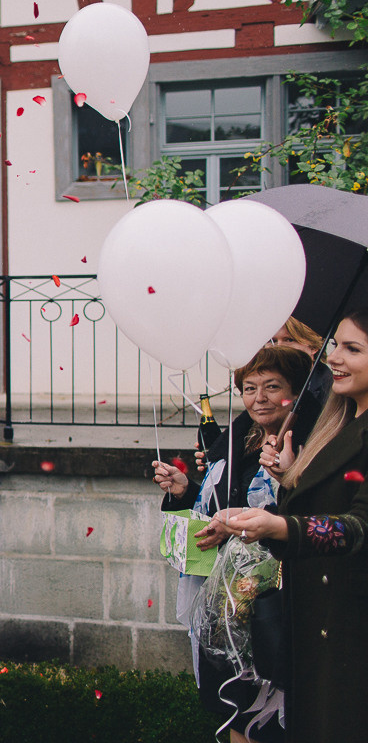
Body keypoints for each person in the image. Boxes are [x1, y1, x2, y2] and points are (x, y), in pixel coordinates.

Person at [219, 308, 368, 743]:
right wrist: (289, 481)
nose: (334, 358)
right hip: (317, 618)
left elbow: (357, 527)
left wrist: (278, 527)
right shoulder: (340, 420)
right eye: (335, 344)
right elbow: (328, 502)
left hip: (350, 623)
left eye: (353, 349)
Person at [152, 345, 314, 743]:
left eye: (272, 387)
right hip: (224, 602)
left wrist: (286, 478)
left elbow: (304, 515)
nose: (259, 398)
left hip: (272, 599)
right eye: (249, 387)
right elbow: (217, 508)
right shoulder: (235, 439)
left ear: (295, 391)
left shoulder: (308, 439)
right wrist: (185, 489)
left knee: (269, 711)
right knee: (233, 713)